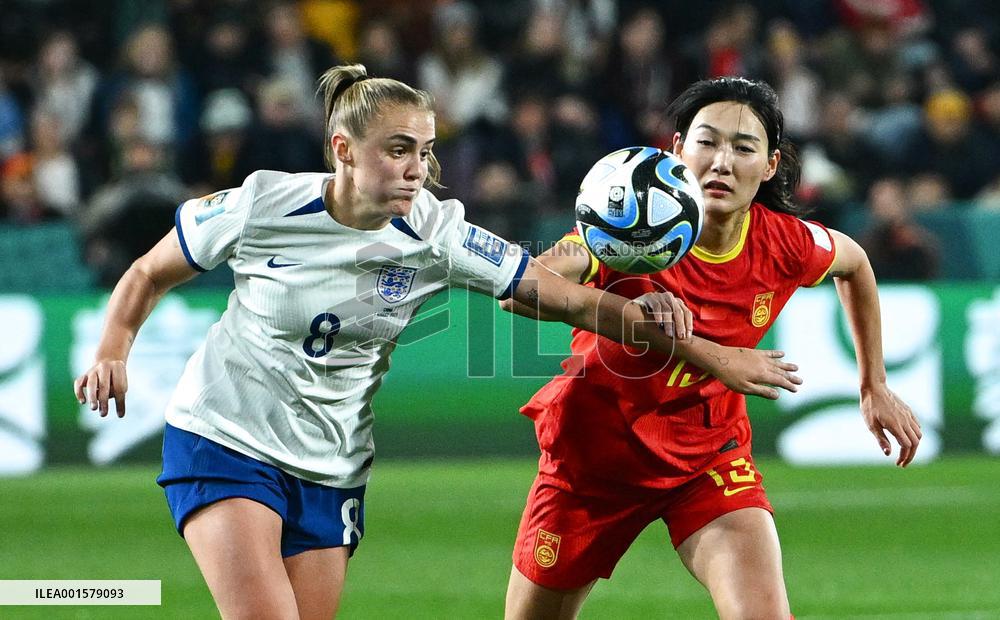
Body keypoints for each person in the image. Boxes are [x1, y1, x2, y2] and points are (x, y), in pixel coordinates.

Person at [73, 65, 798, 620]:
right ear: (342, 150)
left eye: (423, 150)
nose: (416, 168)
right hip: (224, 434)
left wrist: (684, 337)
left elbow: (561, 298)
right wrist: (112, 345)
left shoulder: (439, 233)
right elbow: (147, 271)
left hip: (331, 461)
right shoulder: (264, 202)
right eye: (397, 150)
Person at [501, 77, 923, 619]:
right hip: (593, 462)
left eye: (744, 148)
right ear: (677, 151)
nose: (722, 161)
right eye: (707, 141)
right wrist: (639, 318)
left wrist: (874, 383)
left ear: (770, 165)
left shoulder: (784, 241)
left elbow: (855, 263)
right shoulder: (628, 228)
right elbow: (524, 289)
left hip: (708, 459)